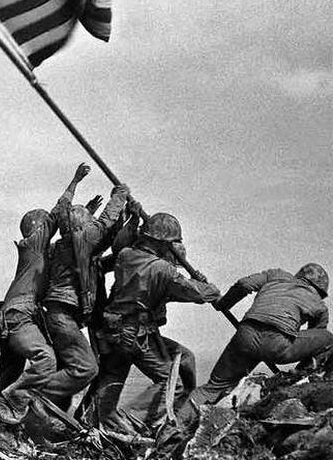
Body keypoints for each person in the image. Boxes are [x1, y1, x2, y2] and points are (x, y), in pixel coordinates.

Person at [157, 262, 333, 456]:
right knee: (327, 338)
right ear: (319, 288)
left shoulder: (276, 274)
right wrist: (301, 369)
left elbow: (244, 285)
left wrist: (223, 304)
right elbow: (314, 337)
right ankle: (303, 376)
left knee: (212, 387)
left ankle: (171, 431)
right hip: (279, 346)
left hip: (246, 336)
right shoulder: (319, 305)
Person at [0, 163, 91, 423]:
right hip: (20, 315)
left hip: (15, 316)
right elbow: (58, 213)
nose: (50, 227)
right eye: (46, 225)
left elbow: (65, 228)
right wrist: (75, 182)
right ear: (38, 227)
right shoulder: (33, 245)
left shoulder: (39, 251)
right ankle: (11, 402)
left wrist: (86, 215)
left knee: (10, 370)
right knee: (45, 359)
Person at [95, 212, 221, 433]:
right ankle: (130, 421)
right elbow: (197, 294)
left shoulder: (126, 255)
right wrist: (209, 287)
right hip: (135, 334)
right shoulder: (162, 269)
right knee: (172, 384)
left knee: (115, 376)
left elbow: (154, 289)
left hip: (114, 329)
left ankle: (100, 421)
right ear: (163, 243)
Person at [42, 174, 131, 411]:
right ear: (82, 226)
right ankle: (28, 396)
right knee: (86, 368)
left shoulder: (67, 247)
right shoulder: (80, 240)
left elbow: (102, 245)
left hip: (61, 314)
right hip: (64, 316)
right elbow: (103, 226)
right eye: (88, 220)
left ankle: (51, 416)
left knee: (71, 370)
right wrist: (119, 196)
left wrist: (126, 222)